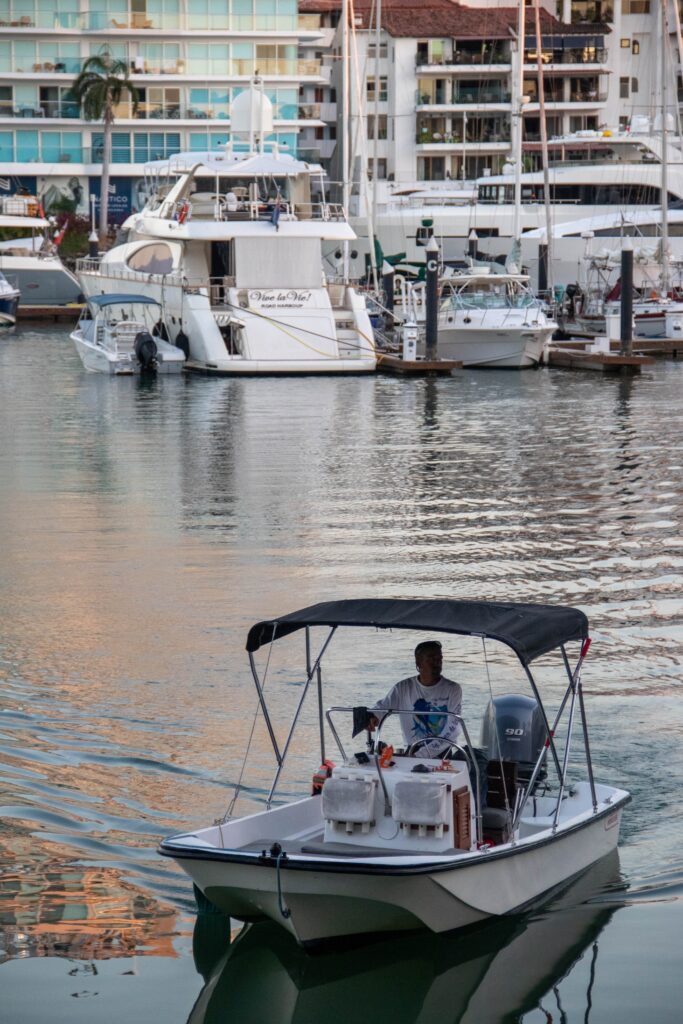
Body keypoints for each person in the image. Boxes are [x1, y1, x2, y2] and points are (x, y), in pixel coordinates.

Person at [368, 640, 463, 758]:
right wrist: (372, 717)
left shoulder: (453, 689)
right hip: (412, 750)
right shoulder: (402, 688)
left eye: (439, 658)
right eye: (431, 658)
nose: (437, 662)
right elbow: (382, 708)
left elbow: (453, 729)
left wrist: (422, 754)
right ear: (418, 662)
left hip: (442, 753)